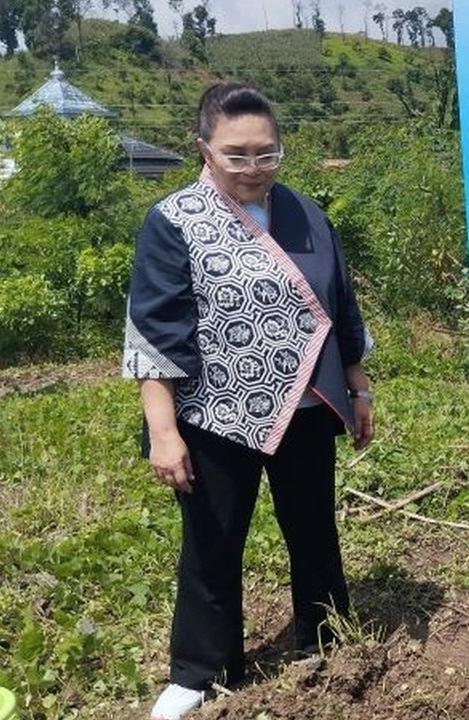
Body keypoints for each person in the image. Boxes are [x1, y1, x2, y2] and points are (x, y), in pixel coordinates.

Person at [123, 83, 374, 720]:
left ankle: (323, 638)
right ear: (203, 148)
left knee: (313, 527)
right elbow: (157, 329)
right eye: (237, 156)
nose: (254, 169)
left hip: (309, 403)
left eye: (267, 154)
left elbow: (341, 305)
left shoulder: (305, 213)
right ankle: (201, 669)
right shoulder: (174, 219)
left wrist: (359, 386)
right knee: (212, 537)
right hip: (218, 411)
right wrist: (163, 431)